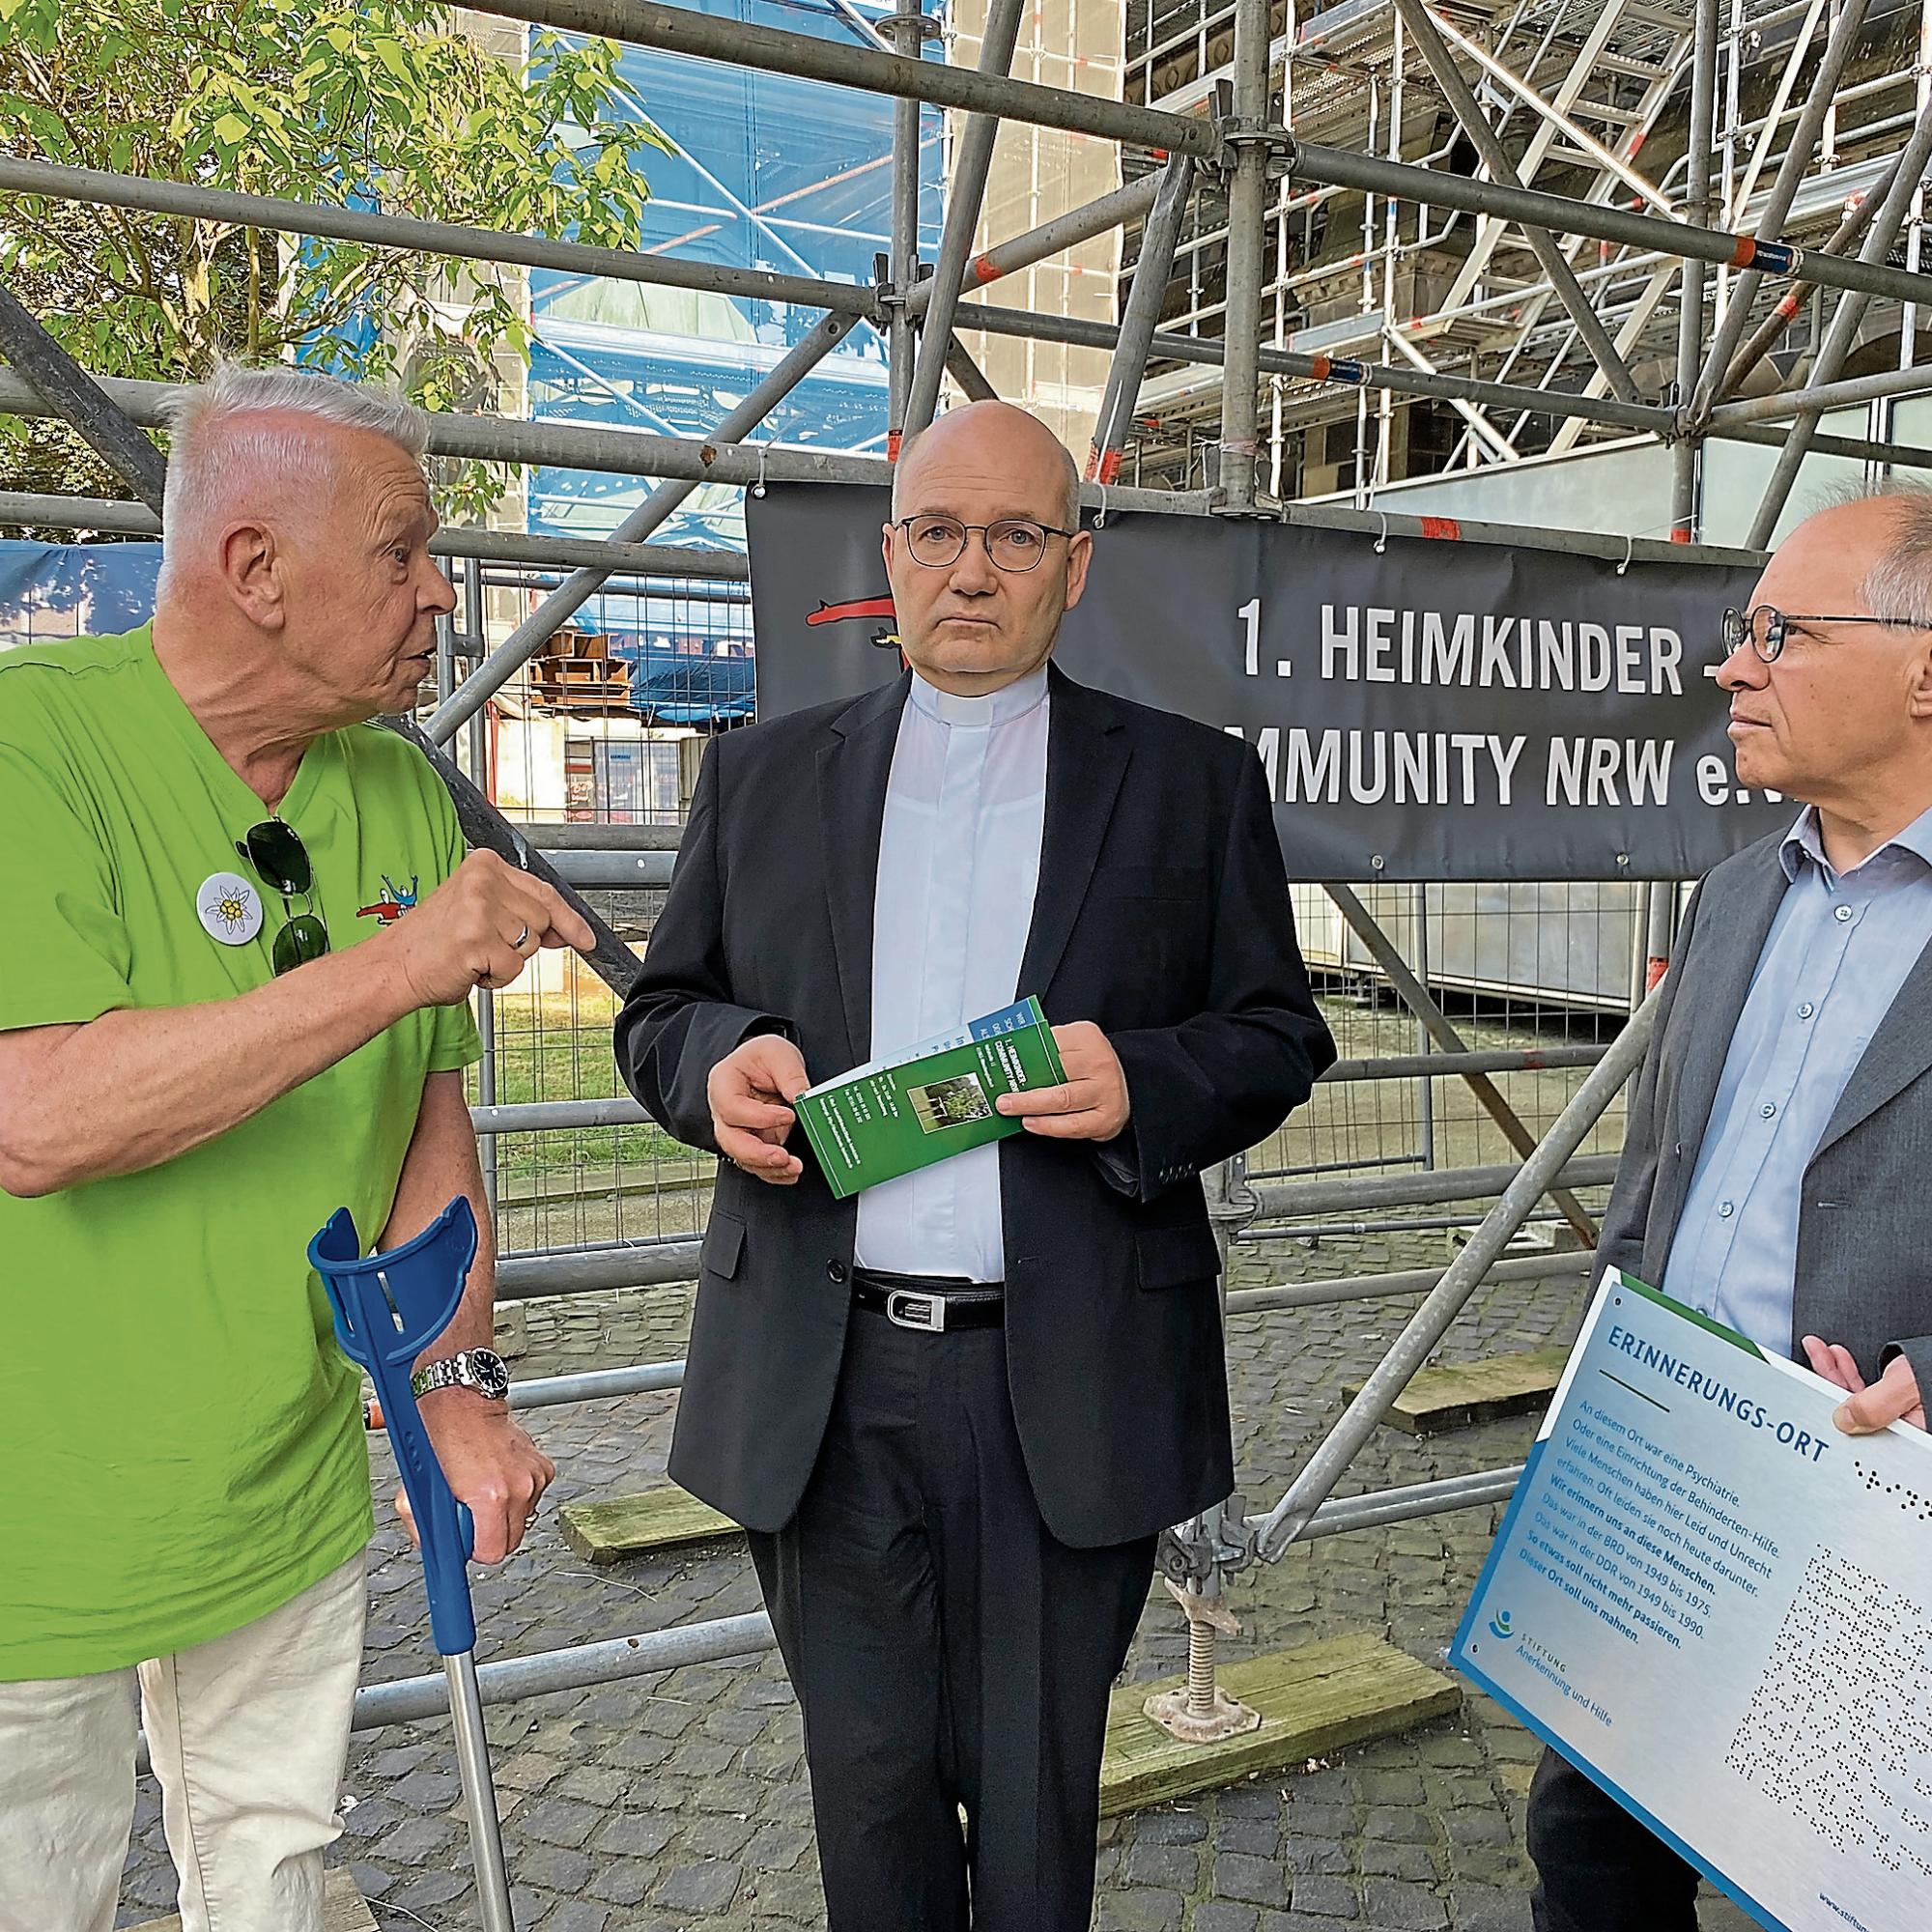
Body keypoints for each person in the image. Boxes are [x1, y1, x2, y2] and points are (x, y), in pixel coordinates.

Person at [616, 399, 1335, 1930]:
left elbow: (1279, 1035)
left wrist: (1143, 1077)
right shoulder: (763, 774)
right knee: (865, 1796)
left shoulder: (1189, 785)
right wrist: (712, 1068)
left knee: (1031, 1810)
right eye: (938, 532)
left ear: (1076, 564)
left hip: (1063, 1373)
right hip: (828, 1374)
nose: (972, 569)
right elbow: (660, 1013)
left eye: (1015, 534)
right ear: (888, 557)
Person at [0, 365, 591, 1932]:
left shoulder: (394, 785)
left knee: (275, 1882)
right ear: (255, 571)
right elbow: (42, 1115)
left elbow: (426, 1123)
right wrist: (396, 964)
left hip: (282, 1489)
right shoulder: (26, 744)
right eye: (401, 550)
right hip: (32, 1517)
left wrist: (456, 1391)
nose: (440, 593)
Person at [1527, 487, 1932, 1932]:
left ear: (1924, 668)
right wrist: (1594, 1412)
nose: (1732, 667)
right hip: (1676, 1499)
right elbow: (1651, 1194)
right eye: (1738, 631)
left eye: (1780, 633)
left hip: (1885, 1549)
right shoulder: (1731, 897)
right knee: (1591, 1864)